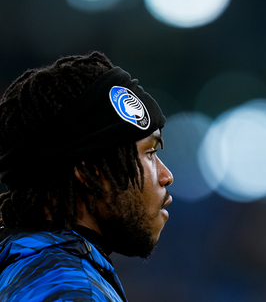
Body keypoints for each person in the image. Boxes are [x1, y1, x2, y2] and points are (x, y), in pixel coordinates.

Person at [0, 51, 174, 302]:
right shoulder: (72, 290)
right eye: (149, 152)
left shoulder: (22, 269)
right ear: (89, 171)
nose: (166, 176)